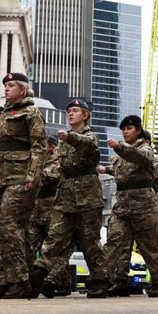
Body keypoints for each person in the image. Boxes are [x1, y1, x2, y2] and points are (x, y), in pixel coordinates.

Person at [0, 72, 46, 299]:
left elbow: (39, 146)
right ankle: (3, 280)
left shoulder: (31, 112)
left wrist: (33, 175)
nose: (6, 88)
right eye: (5, 85)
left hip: (20, 177)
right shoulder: (3, 115)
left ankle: (20, 280)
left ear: (22, 90)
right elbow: (2, 144)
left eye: (11, 85)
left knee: (10, 225)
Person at [30, 99, 109, 298]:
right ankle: (40, 273)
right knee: (55, 237)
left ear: (86, 115)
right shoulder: (62, 145)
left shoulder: (89, 136)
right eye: (69, 111)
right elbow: (55, 165)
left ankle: (100, 280)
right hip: (64, 196)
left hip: (87, 196)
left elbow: (89, 144)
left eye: (75, 111)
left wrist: (71, 137)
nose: (71, 114)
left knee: (90, 241)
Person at [100, 115, 158, 298]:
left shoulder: (145, 149)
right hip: (122, 205)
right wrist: (105, 169)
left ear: (138, 131)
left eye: (129, 129)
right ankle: (115, 280)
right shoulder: (121, 155)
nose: (125, 132)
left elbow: (139, 159)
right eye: (123, 129)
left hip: (143, 205)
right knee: (116, 242)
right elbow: (120, 171)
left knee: (149, 245)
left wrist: (120, 147)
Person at [26, 135, 72, 297]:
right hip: (37, 210)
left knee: (54, 249)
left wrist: (31, 171)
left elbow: (52, 176)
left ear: (51, 147)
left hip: (53, 209)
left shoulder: (57, 159)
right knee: (29, 245)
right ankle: (29, 281)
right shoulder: (38, 161)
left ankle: (61, 283)